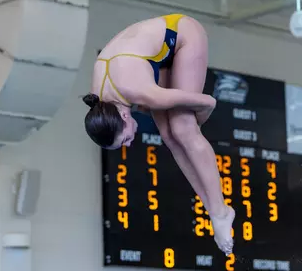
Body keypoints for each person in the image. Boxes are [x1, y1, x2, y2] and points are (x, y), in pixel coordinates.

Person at [82, 13, 235, 255]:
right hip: (155, 54)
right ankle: (213, 209)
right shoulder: (99, 101)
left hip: (183, 35)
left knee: (183, 128)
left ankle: (221, 212)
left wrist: (197, 125)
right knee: (169, 136)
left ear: (123, 116)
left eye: (125, 139)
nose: (130, 143)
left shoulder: (142, 92)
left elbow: (207, 102)